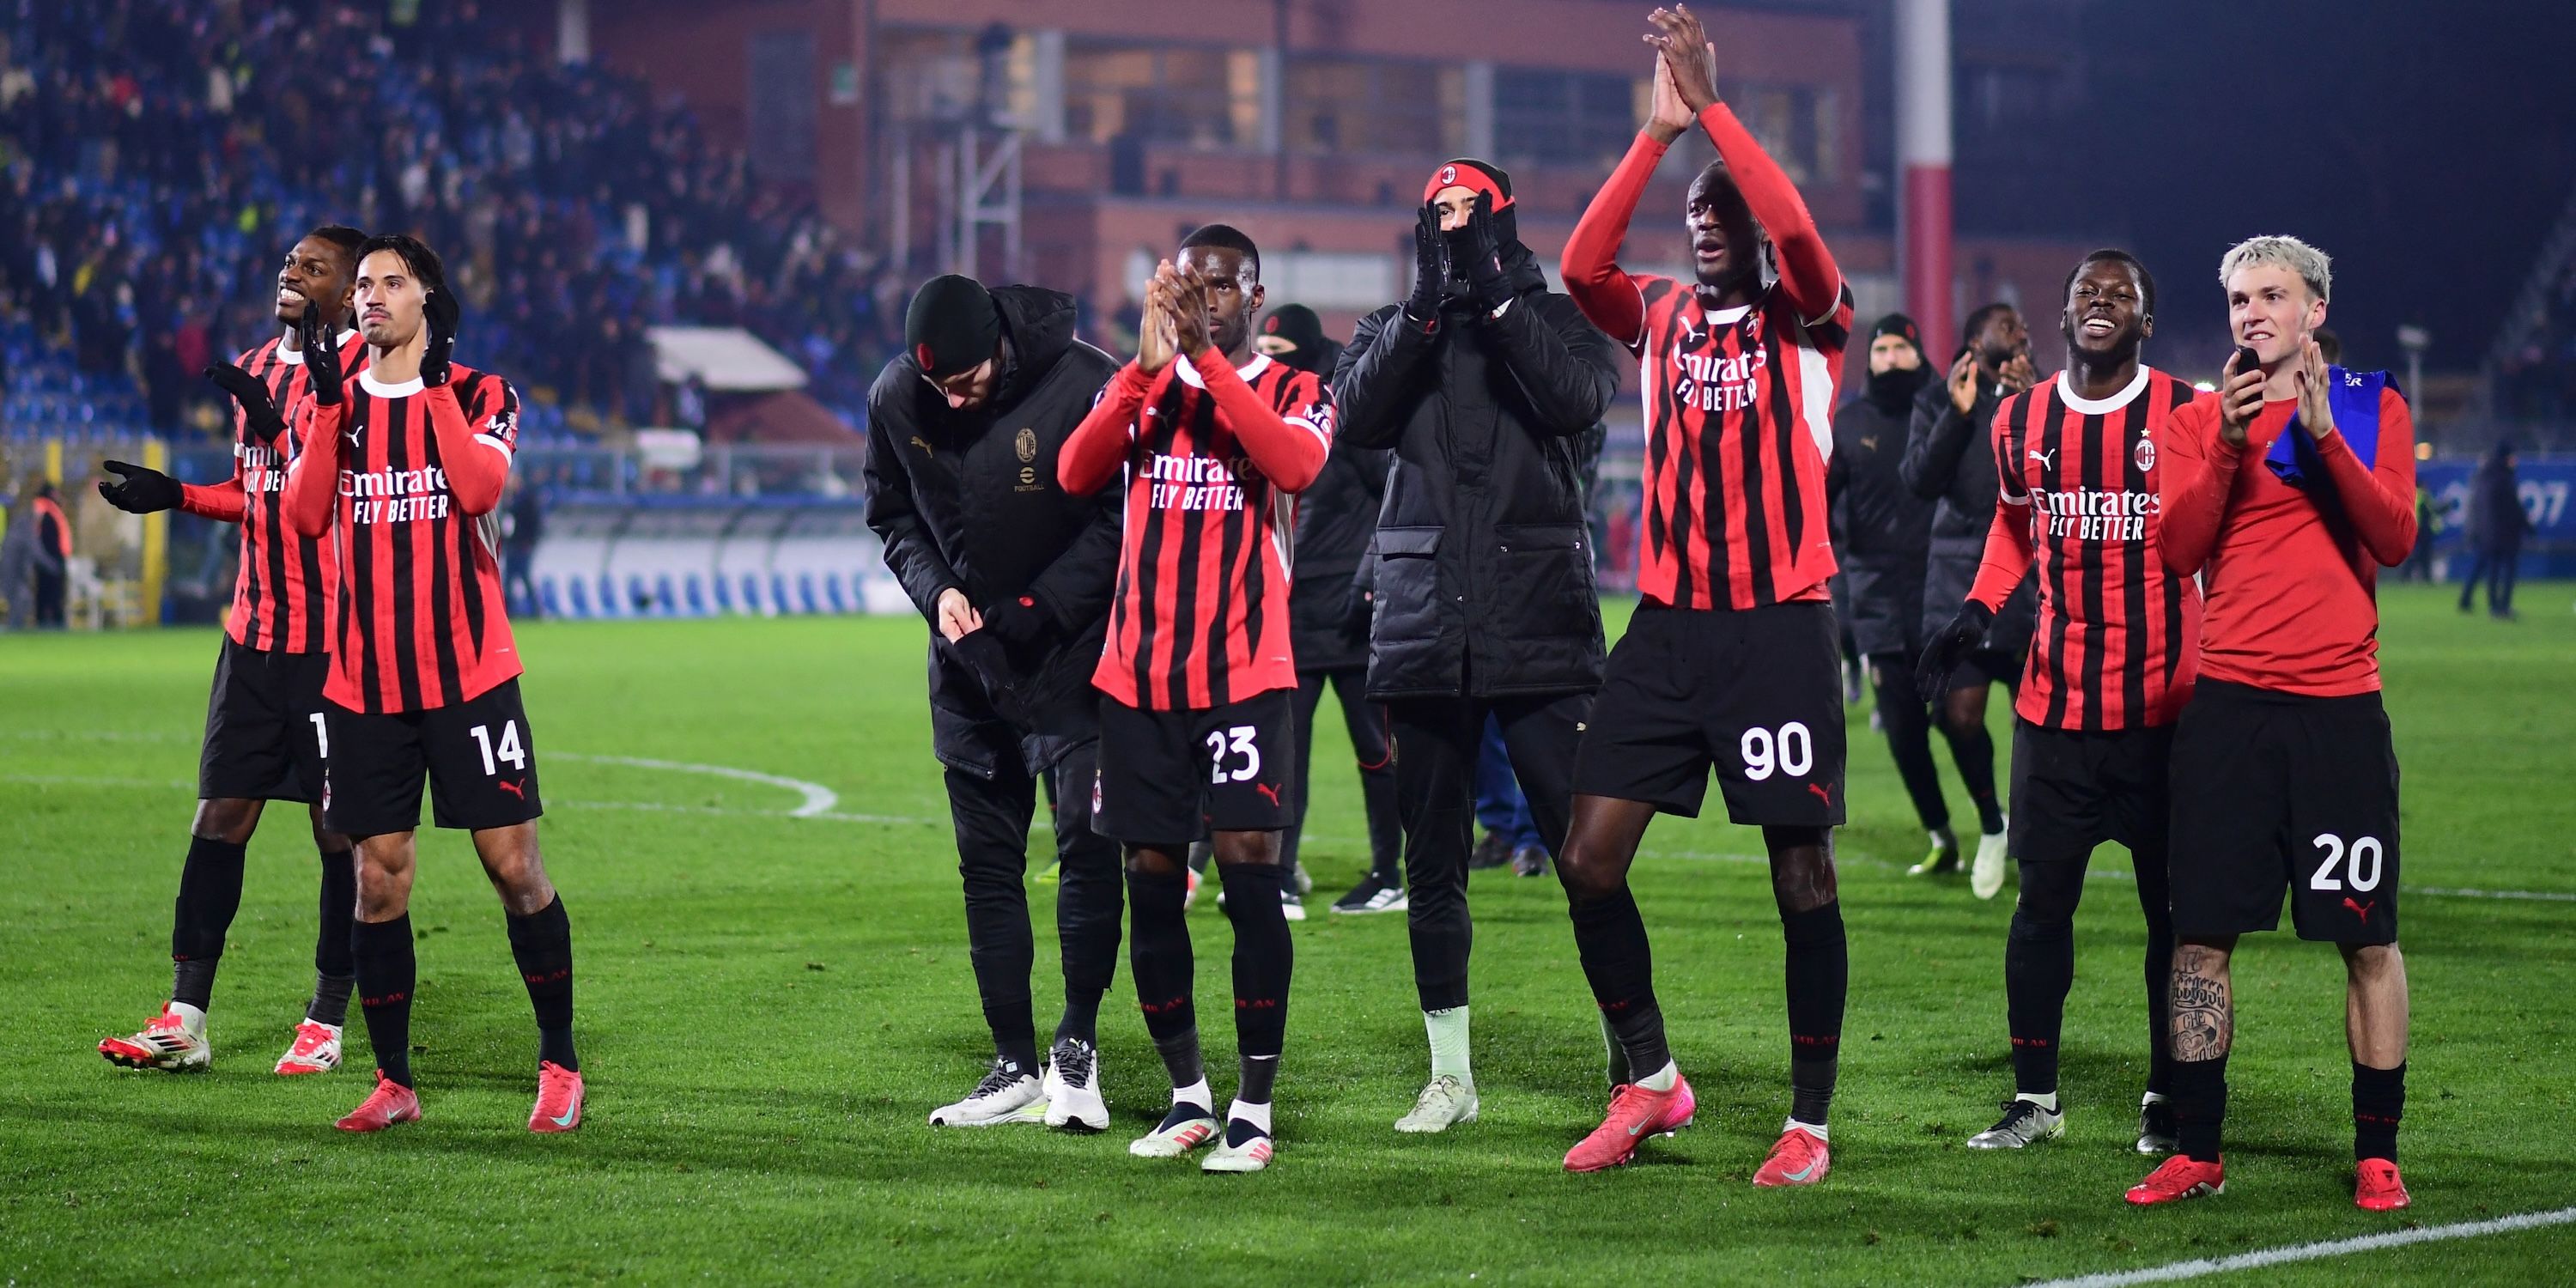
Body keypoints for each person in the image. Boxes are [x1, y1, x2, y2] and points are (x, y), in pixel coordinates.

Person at [1553, 7, 1853, 1182]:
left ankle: (1810, 1123)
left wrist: (1719, 113)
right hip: (1669, 630)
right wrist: (1657, 137)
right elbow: (1581, 265)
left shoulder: (1810, 319)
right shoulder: (1661, 320)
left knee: (1799, 870)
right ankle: (1652, 1078)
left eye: (1726, 215)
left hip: (1779, 625)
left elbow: (1797, 223)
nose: (1708, 226)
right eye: (1697, 215)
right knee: (1587, 858)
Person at [1333, 150, 1618, 1134]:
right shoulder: (1390, 327)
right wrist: (1424, 304)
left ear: (1503, 219)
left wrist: (1495, 298)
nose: (1451, 224)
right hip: (1421, 623)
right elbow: (1356, 420)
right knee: (1435, 863)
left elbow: (1578, 404)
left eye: (1469, 210)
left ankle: (1637, 1060)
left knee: (1587, 856)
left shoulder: (1556, 318)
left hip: (1536, 616)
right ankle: (1450, 1076)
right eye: (1436, 212)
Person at [277, 234, 581, 1135]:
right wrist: (331, 408)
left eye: (390, 283)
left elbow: (480, 488)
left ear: (425, 300)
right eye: (361, 284)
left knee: (514, 867)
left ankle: (560, 1063)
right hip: (364, 684)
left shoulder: (483, 392)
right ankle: (395, 1080)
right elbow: (301, 513)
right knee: (379, 881)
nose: (369, 297)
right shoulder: (333, 400)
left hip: (469, 678)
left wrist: (436, 386)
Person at [2142, 235, 2418, 1212]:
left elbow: (2394, 535)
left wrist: (2323, 435)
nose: (2251, 314)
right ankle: (2199, 1149)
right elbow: (2177, 551)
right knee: (2200, 939)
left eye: (2272, 296)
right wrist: (2224, 440)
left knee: (2368, 938)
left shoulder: (2370, 404)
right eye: (2238, 300)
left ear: (2314, 308)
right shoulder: (2196, 420)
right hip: (2231, 712)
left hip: (2340, 711)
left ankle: (2378, 1152)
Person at [1914, 250, 2203, 1157]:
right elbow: (2012, 520)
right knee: (2041, 909)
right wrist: (1975, 608)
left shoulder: (2187, 412)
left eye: (2122, 293)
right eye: (2087, 292)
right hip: (2055, 711)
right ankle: (2035, 1099)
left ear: (2146, 323)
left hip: (2163, 715)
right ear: (2067, 313)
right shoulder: (2022, 420)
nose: (2102, 302)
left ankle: (2168, 1093)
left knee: (2175, 920)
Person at [1059, 225, 1332, 1172]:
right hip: (1138, 679)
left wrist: (1206, 362)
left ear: (1255, 295)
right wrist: (1144, 371)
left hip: (1245, 676)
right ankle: (1187, 1095)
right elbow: (1073, 472)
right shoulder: (1140, 391)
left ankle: (1254, 1106)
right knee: (1152, 885)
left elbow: (1293, 468)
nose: (1205, 297)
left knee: (1250, 880)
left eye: (1223, 285)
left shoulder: (1295, 389)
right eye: (1191, 283)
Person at [92, 226, 372, 1079]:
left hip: (333, 645)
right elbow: (256, 497)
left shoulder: (370, 375)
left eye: (312, 267)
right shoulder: (256, 364)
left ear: (349, 290)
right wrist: (176, 492)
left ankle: (325, 1017)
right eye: (289, 262)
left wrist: (285, 436)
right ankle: (184, 1018)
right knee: (219, 818)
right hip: (253, 638)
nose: (291, 273)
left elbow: (315, 505)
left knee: (339, 834)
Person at [862, 272, 1127, 1130]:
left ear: (1001, 348)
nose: (951, 396)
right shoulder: (896, 396)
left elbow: (1121, 520)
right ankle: (1012, 1064)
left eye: (966, 380)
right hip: (967, 665)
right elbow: (892, 516)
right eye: (937, 383)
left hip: (1074, 658)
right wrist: (936, 592)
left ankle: (1076, 1051)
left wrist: (1039, 606)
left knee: (1088, 851)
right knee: (987, 868)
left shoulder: (1084, 382)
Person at [1257, 303, 1405, 916]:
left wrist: (1369, 578)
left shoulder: (1340, 410)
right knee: (1285, 749)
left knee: (1374, 748)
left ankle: (1388, 873)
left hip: (1351, 608)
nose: (1267, 364)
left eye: (1278, 353)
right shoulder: (1268, 407)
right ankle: (1283, 873)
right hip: (1291, 609)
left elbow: (1396, 490)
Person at [1901, 303, 2037, 896]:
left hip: (2032, 581)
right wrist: (1957, 417)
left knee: (2038, 721)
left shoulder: (2044, 395)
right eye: (2008, 326)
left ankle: (2036, 836)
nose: (2021, 333)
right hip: (1961, 583)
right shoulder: (1938, 397)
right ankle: (1991, 825)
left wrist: (2033, 404)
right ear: (1975, 337)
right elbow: (1920, 480)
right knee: (1958, 718)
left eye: (2023, 328)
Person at [1826, 314, 1953, 872]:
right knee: (1902, 728)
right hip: (1875, 593)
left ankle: (1996, 823)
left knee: (1960, 716)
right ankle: (1942, 833)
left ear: (1920, 354)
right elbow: (1821, 505)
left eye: (1904, 347)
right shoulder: (1848, 424)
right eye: (1883, 349)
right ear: (1870, 360)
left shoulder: (1950, 415)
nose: (1893, 357)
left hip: (1943, 589)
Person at [2458, 440, 2528, 618]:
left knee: (2487, 568)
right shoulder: (2503, 478)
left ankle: (2485, 604)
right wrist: (2526, 525)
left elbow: (2478, 509)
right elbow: (2511, 507)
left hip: (2486, 533)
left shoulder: (2484, 477)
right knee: (2501, 569)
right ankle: (2499, 606)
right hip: (2501, 533)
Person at [27, 477, 70, 628]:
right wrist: (53, 561)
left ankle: (45, 622)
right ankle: (53, 623)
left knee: (44, 593)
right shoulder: (49, 512)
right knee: (51, 594)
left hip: (45, 560)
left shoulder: (43, 510)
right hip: (50, 560)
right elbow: (48, 539)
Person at [504, 469, 546, 618]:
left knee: (523, 577)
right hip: (512, 545)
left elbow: (534, 522)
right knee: (509, 579)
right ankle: (507, 612)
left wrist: (531, 541)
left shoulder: (527, 499)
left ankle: (536, 611)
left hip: (523, 545)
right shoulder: (509, 499)